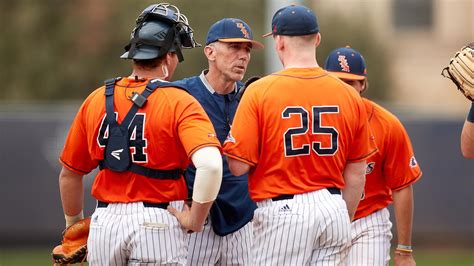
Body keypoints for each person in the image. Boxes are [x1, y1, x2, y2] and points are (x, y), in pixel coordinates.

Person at [57, 3, 223, 265]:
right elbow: (212, 166)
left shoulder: (97, 98)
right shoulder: (179, 101)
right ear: (169, 57)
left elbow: (70, 173)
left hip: (105, 224)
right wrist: (195, 219)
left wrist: (73, 227)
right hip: (157, 221)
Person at [223, 4, 377, 265]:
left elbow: (237, 167)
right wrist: (343, 216)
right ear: (317, 39)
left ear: (279, 42)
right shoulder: (349, 94)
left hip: (283, 211)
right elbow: (357, 172)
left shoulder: (261, 91)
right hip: (333, 207)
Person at [174, 18, 263, 265]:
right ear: (210, 52)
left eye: (247, 49)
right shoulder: (180, 94)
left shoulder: (253, 98)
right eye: (234, 47)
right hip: (195, 218)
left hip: (244, 222)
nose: (243, 56)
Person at [324, 46, 422, 266]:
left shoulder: (387, 125)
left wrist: (404, 250)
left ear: (363, 85)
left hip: (367, 220)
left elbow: (402, 185)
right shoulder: (312, 120)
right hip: (324, 217)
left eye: (349, 83)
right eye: (336, 81)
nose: (342, 88)